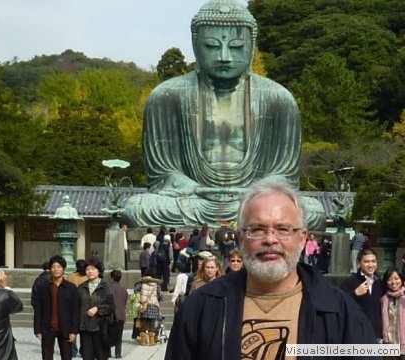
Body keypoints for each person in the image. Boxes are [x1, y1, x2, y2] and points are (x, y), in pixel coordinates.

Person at [121, 0, 326, 232]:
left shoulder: (278, 99)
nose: (225, 56)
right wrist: (197, 189)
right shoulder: (166, 97)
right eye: (212, 46)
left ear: (252, 46)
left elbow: (284, 176)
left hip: (255, 200)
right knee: (136, 207)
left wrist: (250, 192)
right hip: (194, 199)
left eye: (237, 46)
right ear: (196, 45)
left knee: (313, 211)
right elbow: (162, 175)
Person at [165, 177, 378, 359]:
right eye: (257, 229)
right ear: (240, 238)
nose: (270, 239)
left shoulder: (340, 311)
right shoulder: (201, 308)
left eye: (283, 229)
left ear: (302, 238)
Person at [33, 255, 79, 360]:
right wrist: (37, 329)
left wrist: (74, 331)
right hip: (47, 327)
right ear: (50, 269)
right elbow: (38, 309)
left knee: (67, 356)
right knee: (47, 356)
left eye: (59, 267)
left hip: (65, 327)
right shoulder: (43, 287)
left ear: (64, 269)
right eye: (53, 267)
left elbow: (75, 310)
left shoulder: (71, 288)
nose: (56, 269)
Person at [340, 248, 383, 342]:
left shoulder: (380, 282)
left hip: (377, 334)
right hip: (357, 334)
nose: (371, 265)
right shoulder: (349, 282)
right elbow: (339, 303)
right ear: (359, 263)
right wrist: (355, 293)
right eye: (366, 261)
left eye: (373, 261)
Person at [77, 257, 115, 360]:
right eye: (88, 269)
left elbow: (111, 307)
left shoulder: (106, 287)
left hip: (101, 328)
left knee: (101, 356)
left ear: (99, 270)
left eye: (93, 269)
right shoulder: (81, 287)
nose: (90, 272)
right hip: (85, 328)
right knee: (87, 357)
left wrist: (98, 309)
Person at [380, 268, 405, 359]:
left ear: (402, 280)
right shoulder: (384, 298)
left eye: (396, 278)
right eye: (389, 279)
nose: (393, 282)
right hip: (389, 345)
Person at [134, 268, 162, 347]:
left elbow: (135, 290)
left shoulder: (141, 283)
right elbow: (160, 295)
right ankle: (152, 341)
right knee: (152, 324)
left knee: (143, 324)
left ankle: (143, 341)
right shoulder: (156, 284)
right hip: (153, 306)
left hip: (144, 306)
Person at [66, 259, 88, 358]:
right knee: (72, 330)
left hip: (85, 307)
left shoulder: (88, 277)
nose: (81, 269)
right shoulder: (71, 277)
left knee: (84, 332)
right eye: (79, 267)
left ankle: (83, 350)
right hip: (72, 307)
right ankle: (73, 350)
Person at [109, 269, 128, 359]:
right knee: (119, 335)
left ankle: (107, 351)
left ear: (111, 277)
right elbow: (124, 302)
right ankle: (118, 353)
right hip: (120, 315)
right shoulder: (123, 289)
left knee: (107, 333)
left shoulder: (107, 288)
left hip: (109, 314)